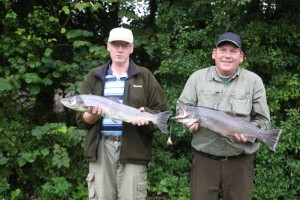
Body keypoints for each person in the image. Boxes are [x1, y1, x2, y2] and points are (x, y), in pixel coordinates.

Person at [76, 27, 168, 200]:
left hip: (133, 149)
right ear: (108, 46)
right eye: (115, 44)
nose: (119, 49)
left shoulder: (145, 76)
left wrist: (147, 116)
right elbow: (82, 121)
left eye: (124, 45)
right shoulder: (93, 76)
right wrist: (94, 114)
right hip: (100, 148)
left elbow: (160, 111)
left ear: (131, 48)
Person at [178, 32, 271, 200]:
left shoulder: (254, 81)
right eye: (223, 50)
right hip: (205, 160)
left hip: (240, 162)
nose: (227, 55)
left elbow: (263, 121)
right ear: (214, 53)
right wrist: (188, 122)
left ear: (241, 56)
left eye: (233, 51)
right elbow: (182, 107)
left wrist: (252, 134)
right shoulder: (197, 78)